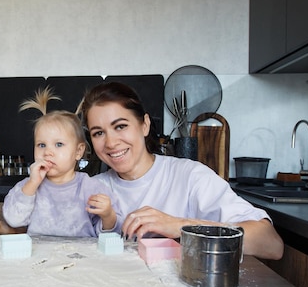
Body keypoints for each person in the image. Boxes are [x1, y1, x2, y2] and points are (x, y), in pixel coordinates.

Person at [80, 82, 283, 260]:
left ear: (145, 125)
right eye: (98, 133)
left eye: (121, 126)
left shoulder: (189, 176)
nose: (111, 143)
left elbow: (271, 244)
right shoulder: (92, 188)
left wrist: (180, 226)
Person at [0, 87, 121, 239]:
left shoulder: (90, 187)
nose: (47, 152)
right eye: (41, 145)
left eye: (59, 144)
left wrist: (108, 215)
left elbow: (110, 235)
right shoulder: (29, 186)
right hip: (37, 261)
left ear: (78, 151)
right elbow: (14, 220)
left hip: (79, 259)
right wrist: (32, 184)